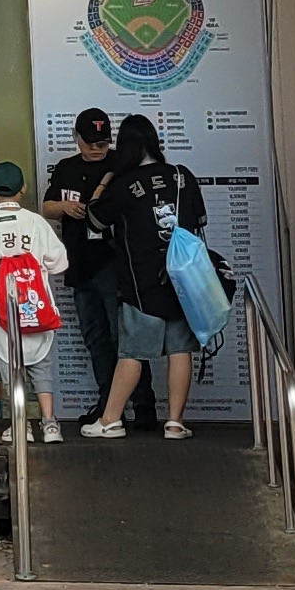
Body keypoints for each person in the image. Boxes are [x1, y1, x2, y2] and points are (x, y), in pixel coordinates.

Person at [80, 115, 210, 443]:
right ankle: (175, 423)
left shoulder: (125, 184)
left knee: (132, 353)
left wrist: (105, 181)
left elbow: (95, 219)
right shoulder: (182, 175)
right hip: (183, 278)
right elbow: (199, 220)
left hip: (141, 283)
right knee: (180, 350)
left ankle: (110, 420)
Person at [0, 162, 68, 445]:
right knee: (42, 367)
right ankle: (50, 424)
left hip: (0, 314)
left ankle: (20, 425)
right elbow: (60, 262)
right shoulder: (36, 223)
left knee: (11, 367)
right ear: (23, 189)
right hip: (36, 307)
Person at [42, 109, 127, 429]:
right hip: (79, 264)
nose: (96, 149)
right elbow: (47, 207)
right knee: (95, 338)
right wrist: (66, 208)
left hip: (113, 262)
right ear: (76, 138)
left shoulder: (120, 164)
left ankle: (142, 404)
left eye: (102, 143)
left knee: (124, 339)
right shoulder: (67, 168)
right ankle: (108, 405)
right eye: (90, 142)